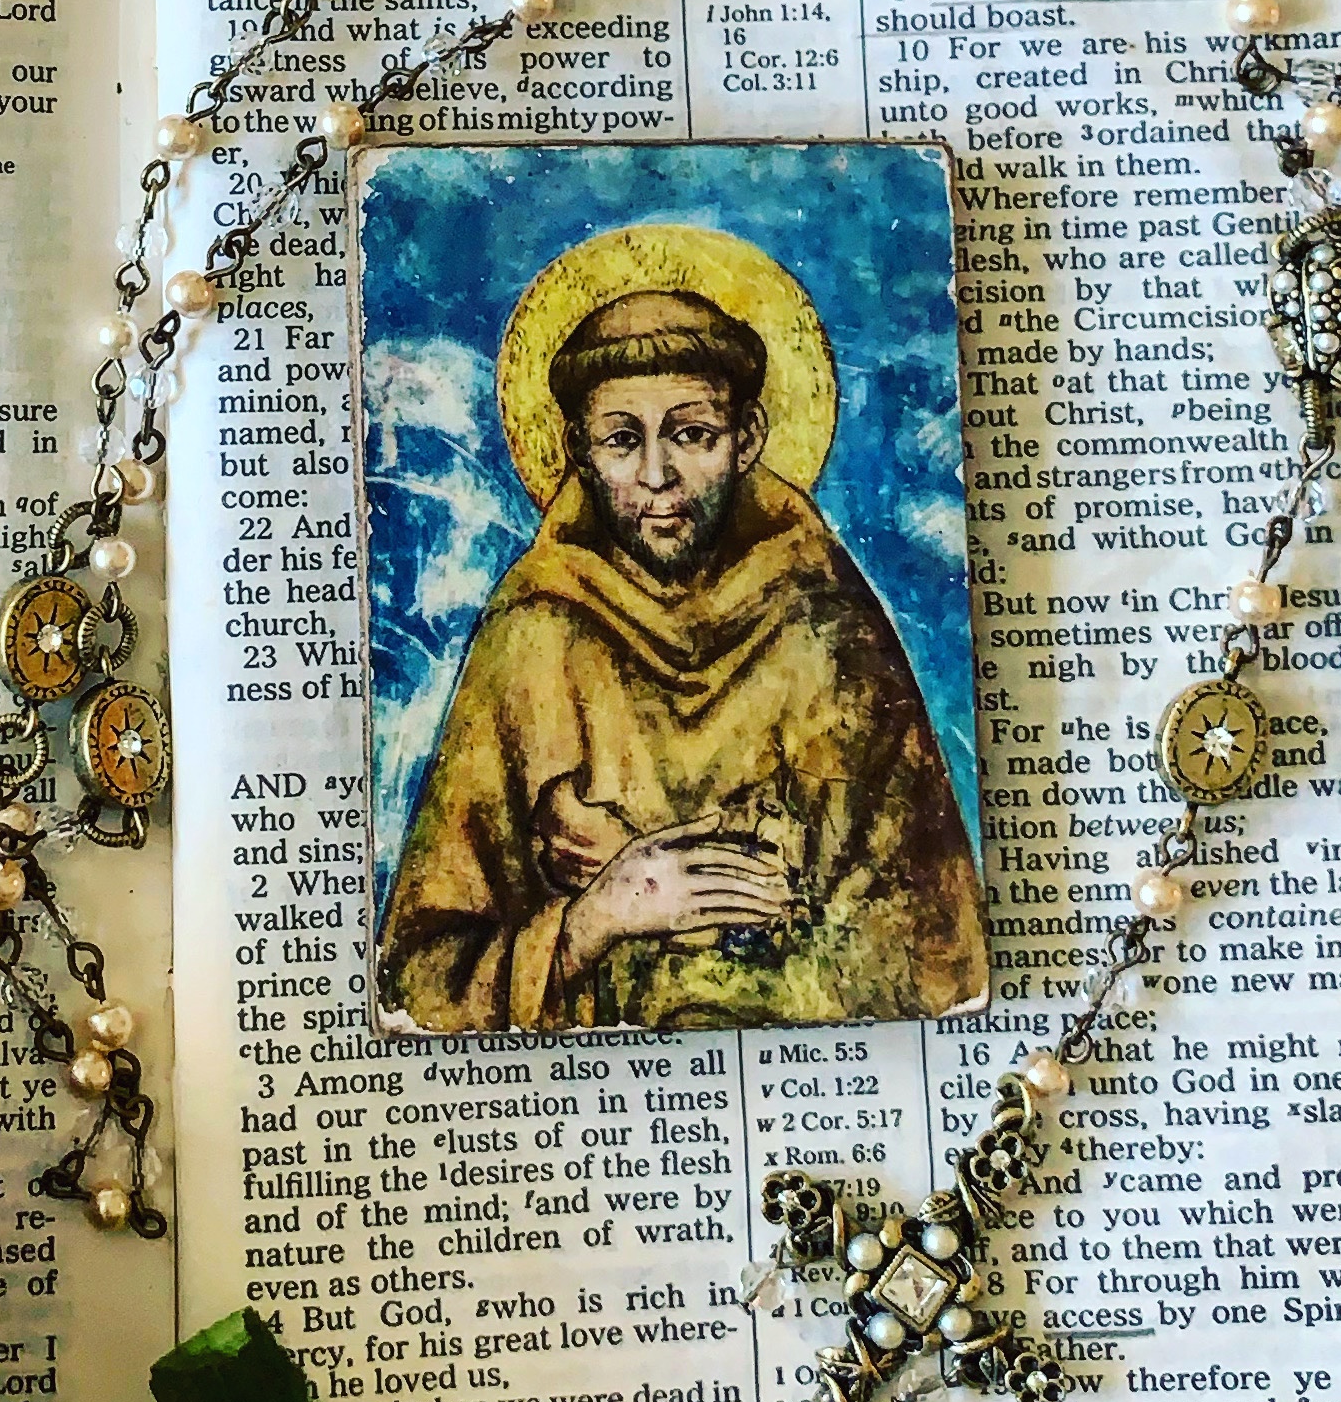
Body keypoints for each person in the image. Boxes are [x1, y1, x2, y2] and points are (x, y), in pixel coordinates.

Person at [378, 285, 985, 1032]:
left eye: (692, 435)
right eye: (621, 440)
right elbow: (419, 980)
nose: (657, 476)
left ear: (747, 437)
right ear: (578, 450)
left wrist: (705, 923)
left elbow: (932, 961)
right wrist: (597, 918)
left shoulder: (826, 635)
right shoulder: (532, 637)